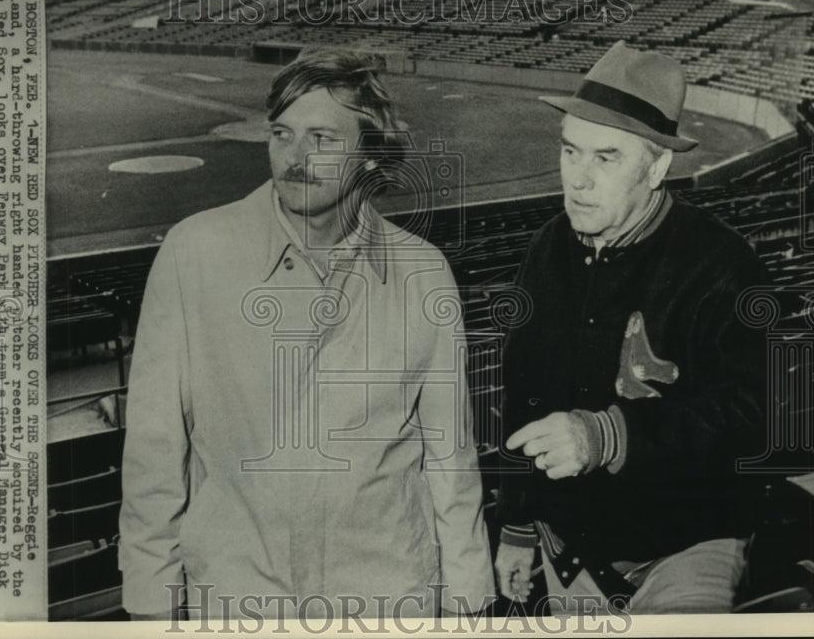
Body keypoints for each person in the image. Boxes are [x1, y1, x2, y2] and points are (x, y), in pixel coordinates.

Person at [119, 48, 493, 622]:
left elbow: (450, 458)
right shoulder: (194, 252)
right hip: (238, 597)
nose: (295, 158)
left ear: (369, 154)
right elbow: (154, 451)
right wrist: (152, 608)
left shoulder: (423, 270)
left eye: (323, 138)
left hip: (387, 594)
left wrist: (466, 603)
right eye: (282, 134)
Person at [494, 41, 770, 614]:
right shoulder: (546, 248)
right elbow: (522, 394)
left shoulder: (724, 263)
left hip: (686, 545)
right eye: (572, 152)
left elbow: (754, 417)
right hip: (570, 546)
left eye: (606, 158)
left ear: (658, 166)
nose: (579, 179)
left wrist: (609, 435)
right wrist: (518, 524)